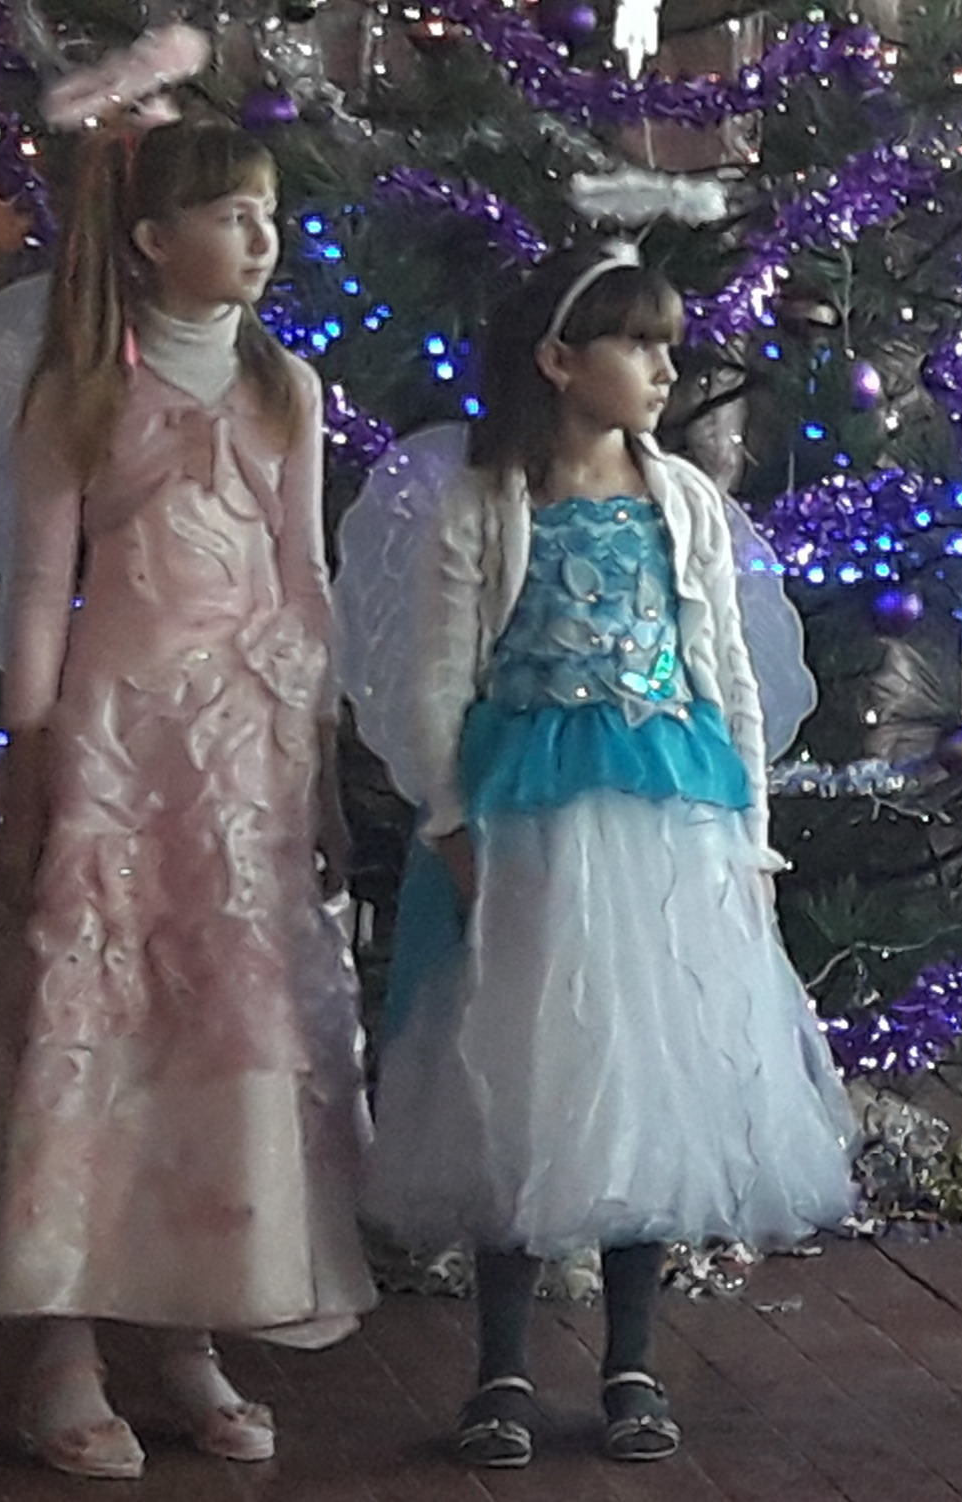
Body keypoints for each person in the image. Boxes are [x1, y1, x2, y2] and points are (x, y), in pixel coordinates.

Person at [0, 115, 375, 1480]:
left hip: (244, 767)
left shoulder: (287, 387)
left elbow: (303, 580)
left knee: (220, 1037)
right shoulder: (81, 390)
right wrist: (31, 767)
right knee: (98, 1025)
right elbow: (40, 599)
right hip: (119, 755)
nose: (261, 236)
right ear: (155, 240)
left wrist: (319, 764)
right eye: (231, 214)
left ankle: (191, 1324)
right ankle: (62, 1345)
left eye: (268, 212)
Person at [356, 242, 857, 1471]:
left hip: (667, 822)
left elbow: (725, 673)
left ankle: (633, 1359)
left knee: (649, 1079)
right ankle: (503, 1365)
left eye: (666, 344)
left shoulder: (681, 499)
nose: (665, 367)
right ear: (558, 360)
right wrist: (453, 825)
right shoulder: (487, 501)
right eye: (639, 344)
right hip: (529, 824)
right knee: (522, 1075)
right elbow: (440, 676)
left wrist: (749, 838)